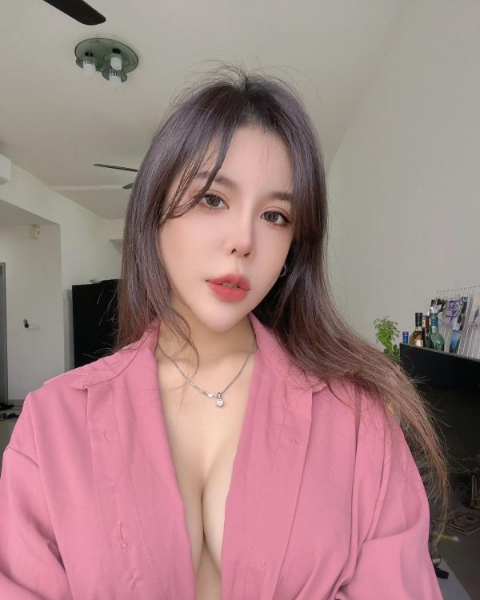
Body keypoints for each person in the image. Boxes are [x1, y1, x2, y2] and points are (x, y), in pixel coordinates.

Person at [0, 64, 447, 599]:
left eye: (276, 215)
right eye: (213, 199)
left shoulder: (359, 423)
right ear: (154, 212)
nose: (243, 240)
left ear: (294, 247)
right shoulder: (52, 425)